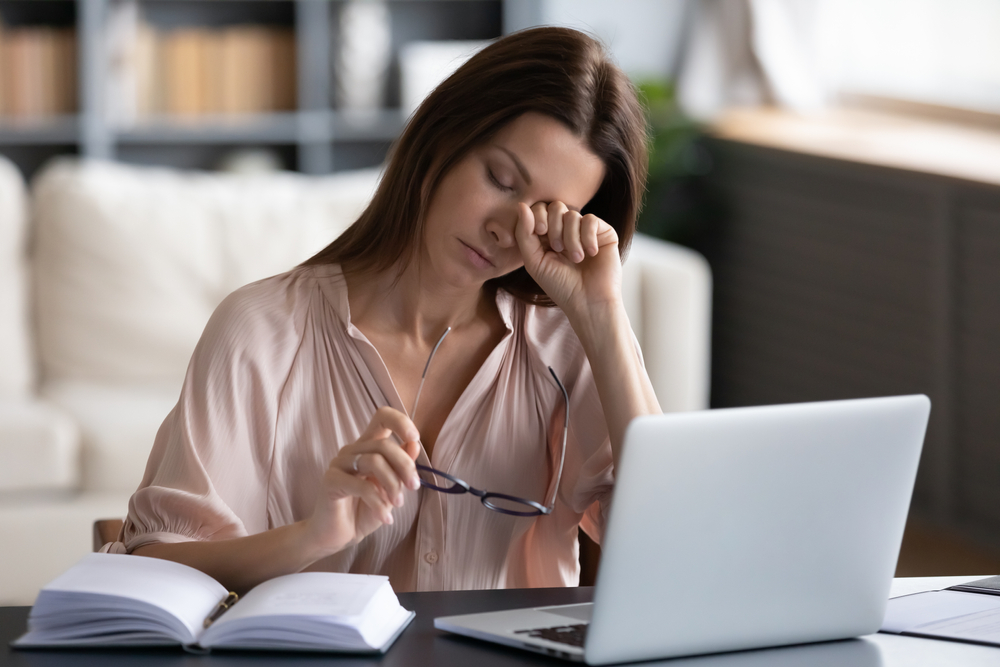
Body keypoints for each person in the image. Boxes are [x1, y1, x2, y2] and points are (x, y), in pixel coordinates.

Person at [111, 26, 661, 594]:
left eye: (547, 215)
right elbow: (154, 570)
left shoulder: (572, 344)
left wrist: (603, 315)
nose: (507, 229)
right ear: (441, 141)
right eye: (499, 179)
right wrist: (314, 536)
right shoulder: (261, 331)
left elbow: (671, 549)